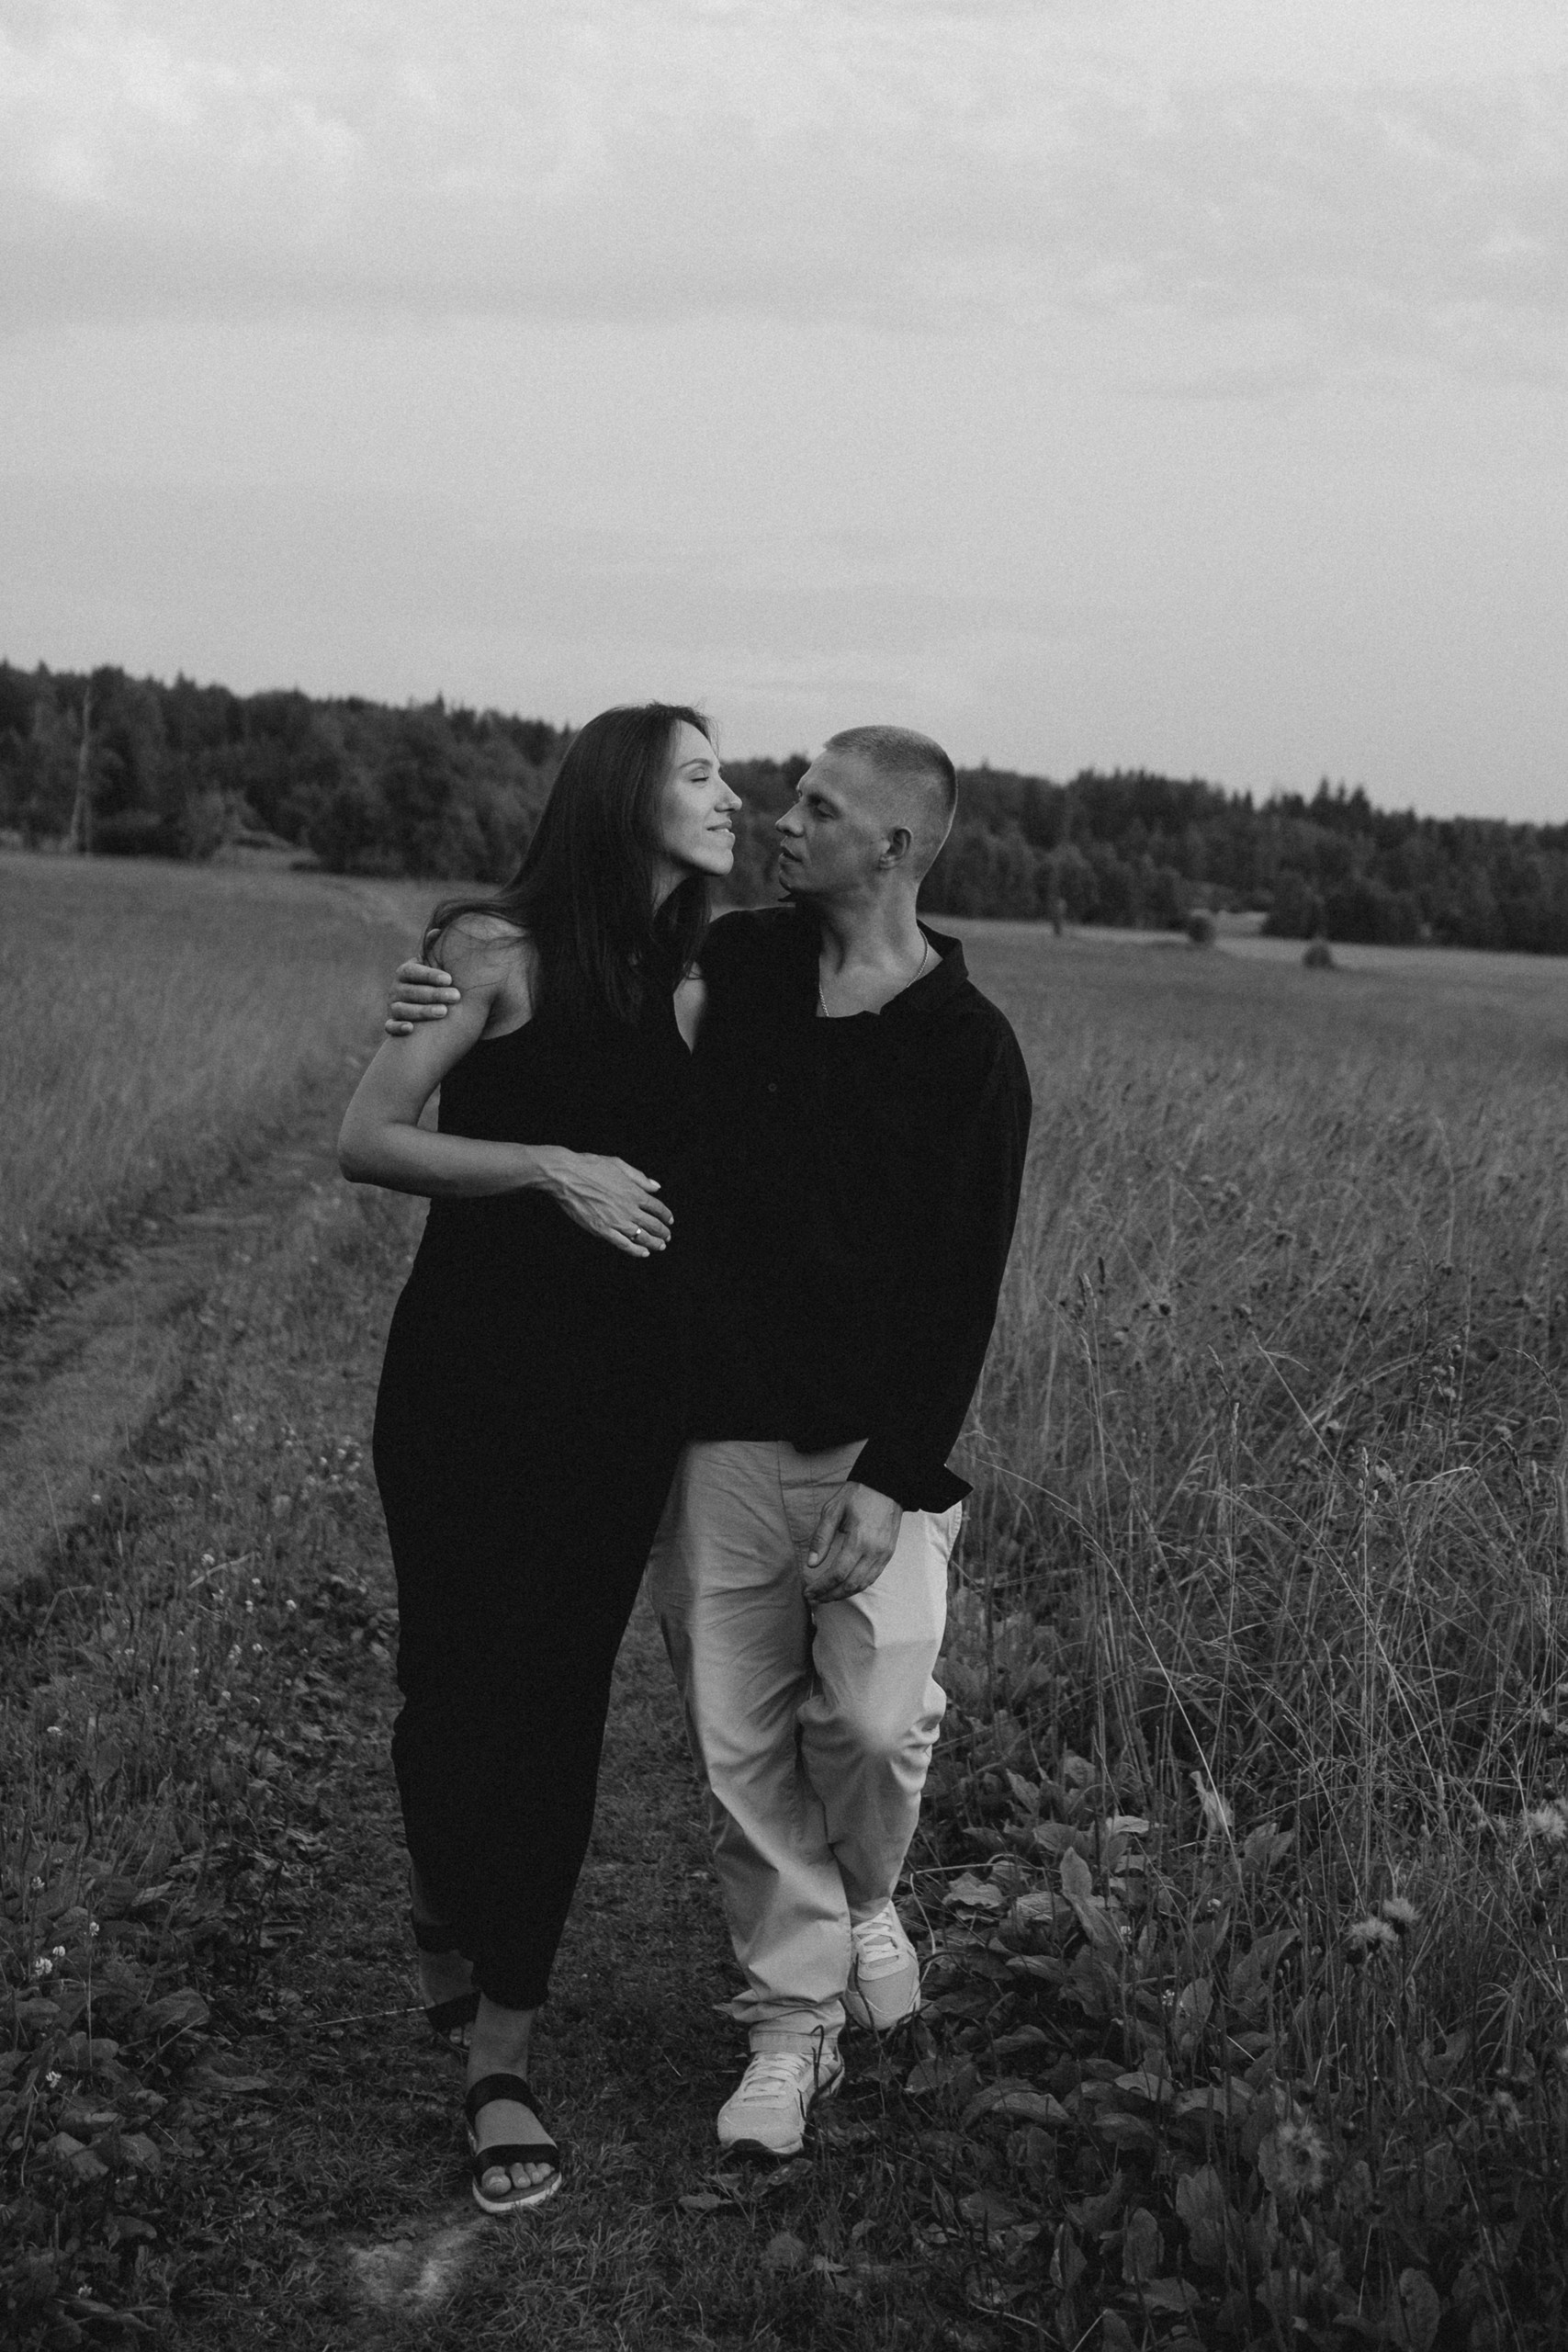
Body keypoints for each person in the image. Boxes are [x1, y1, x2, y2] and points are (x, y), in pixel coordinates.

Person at [389, 724, 1032, 2162]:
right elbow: (578, 1005)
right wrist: (452, 972)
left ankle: (865, 1901)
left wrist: (894, 1478)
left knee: (872, 1724)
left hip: (871, 1452)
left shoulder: (970, 1049)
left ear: (894, 846)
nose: (776, 817)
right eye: (771, 793)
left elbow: (964, 1288)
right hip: (709, 1430)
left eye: (815, 805)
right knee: (738, 1752)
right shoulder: (735, 969)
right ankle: (789, 2025)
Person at [339, 703, 741, 2214]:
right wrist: (545, 1166)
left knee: (559, 1705)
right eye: (700, 773)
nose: (732, 794)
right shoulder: (492, 953)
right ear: (626, 796)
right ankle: (442, 1898)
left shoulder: (716, 981)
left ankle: (500, 2055)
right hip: (464, 1379)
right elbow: (369, 1135)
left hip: (623, 1396)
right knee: (450, 1689)